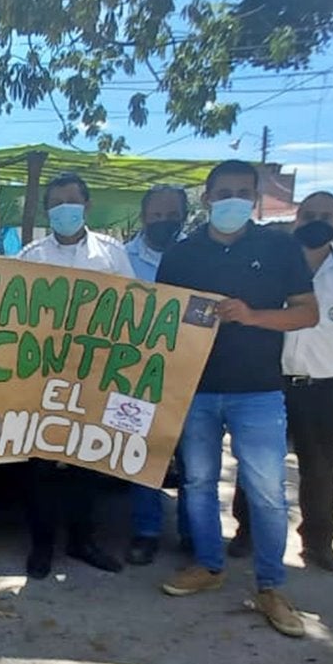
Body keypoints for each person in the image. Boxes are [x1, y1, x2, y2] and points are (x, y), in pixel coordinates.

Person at [155, 159, 319, 637]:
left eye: (243, 192)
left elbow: (307, 314)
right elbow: (161, 318)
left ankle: (271, 585)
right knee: (198, 483)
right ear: (207, 198)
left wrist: (252, 316)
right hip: (196, 389)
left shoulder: (279, 248)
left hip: (259, 391)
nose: (233, 200)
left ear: (255, 199)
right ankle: (209, 565)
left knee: (266, 491)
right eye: (223, 192)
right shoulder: (182, 254)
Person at [226, 191, 333, 574]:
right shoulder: (269, 262)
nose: (316, 221)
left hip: (326, 385)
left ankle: (319, 542)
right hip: (269, 380)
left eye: (326, 216)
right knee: (256, 464)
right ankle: (248, 532)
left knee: (319, 468)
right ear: (296, 218)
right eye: (309, 214)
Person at [18, 171, 134, 578]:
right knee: (41, 465)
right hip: (44, 376)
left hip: (95, 375)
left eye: (71, 201)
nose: (64, 209)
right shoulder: (31, 256)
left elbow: (134, 310)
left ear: (87, 205)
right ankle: (41, 546)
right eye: (56, 203)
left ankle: (83, 541)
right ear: (47, 210)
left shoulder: (112, 254)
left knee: (89, 462)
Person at [123, 184, 192, 565]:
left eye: (172, 215)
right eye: (157, 215)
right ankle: (145, 531)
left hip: (192, 372)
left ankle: (192, 531)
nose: (164, 222)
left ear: (184, 216)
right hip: (136, 375)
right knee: (142, 457)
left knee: (194, 459)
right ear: (143, 216)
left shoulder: (200, 255)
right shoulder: (121, 258)